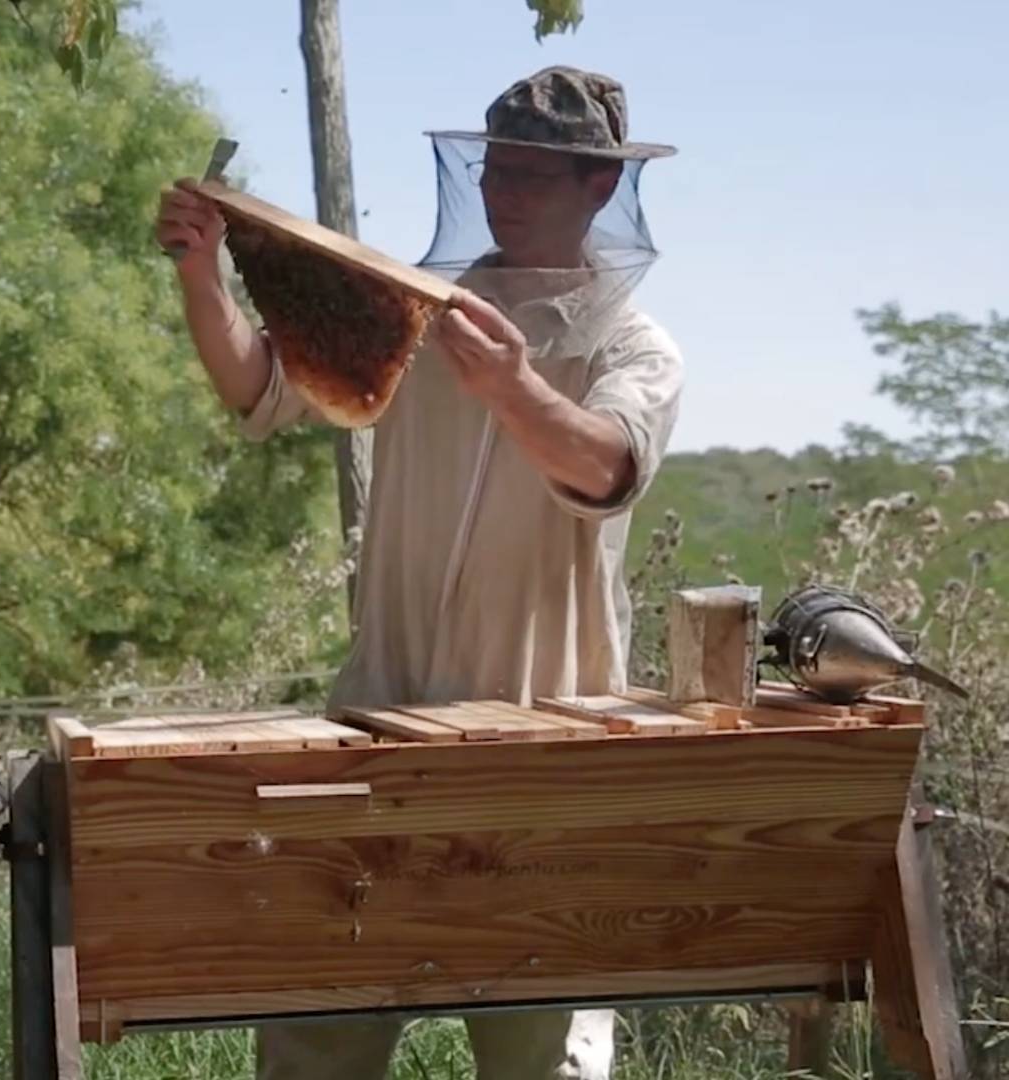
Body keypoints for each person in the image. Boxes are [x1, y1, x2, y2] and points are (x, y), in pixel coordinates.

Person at [153, 66, 686, 1080]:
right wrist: (199, 272)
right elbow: (260, 388)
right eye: (496, 170)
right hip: (379, 723)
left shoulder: (635, 347)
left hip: (547, 746)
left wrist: (515, 387)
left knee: (543, 1054)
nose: (505, 193)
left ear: (600, 190)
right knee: (319, 1039)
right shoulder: (414, 313)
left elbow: (606, 463)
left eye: (535, 176)